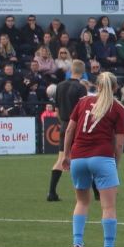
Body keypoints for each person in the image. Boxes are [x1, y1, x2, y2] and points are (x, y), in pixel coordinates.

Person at [63, 72, 124, 247]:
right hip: (102, 157)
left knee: (82, 202)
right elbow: (120, 143)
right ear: (115, 88)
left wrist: (66, 155)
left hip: (78, 157)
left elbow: (69, 130)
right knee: (108, 207)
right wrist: (116, 163)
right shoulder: (117, 108)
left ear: (97, 86)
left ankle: (77, 243)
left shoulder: (83, 102)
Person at [47, 60, 90, 201]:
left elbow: (57, 110)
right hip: (77, 127)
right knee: (89, 158)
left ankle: (51, 193)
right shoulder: (81, 88)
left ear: (71, 70)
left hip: (65, 125)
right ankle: (96, 192)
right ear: (83, 72)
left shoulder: (59, 86)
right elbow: (84, 111)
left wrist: (64, 123)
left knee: (61, 159)